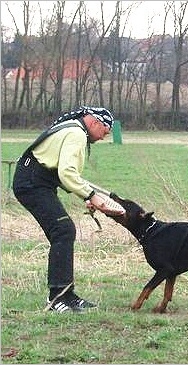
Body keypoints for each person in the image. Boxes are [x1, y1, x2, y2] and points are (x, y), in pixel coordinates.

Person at [13, 106, 119, 313]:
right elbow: (67, 173)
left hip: (35, 181)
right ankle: (57, 299)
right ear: (95, 123)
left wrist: (86, 195)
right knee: (63, 230)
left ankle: (67, 295)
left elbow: (64, 172)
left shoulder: (74, 129)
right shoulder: (77, 133)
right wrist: (92, 196)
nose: (104, 137)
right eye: (105, 132)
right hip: (32, 183)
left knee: (63, 231)